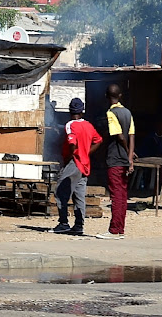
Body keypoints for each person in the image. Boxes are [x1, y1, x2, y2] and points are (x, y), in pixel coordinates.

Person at [51, 98, 102, 235]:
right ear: (82, 110)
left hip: (74, 162)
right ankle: (79, 225)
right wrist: (86, 152)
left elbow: (72, 143)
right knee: (79, 196)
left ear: (70, 110)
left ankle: (63, 223)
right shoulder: (89, 125)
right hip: (85, 164)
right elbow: (98, 140)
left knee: (61, 192)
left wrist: (71, 156)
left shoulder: (70, 125)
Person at [96, 84, 135, 240]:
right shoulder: (127, 112)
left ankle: (114, 230)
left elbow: (119, 136)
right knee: (122, 194)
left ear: (107, 96)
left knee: (116, 195)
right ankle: (120, 229)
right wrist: (130, 157)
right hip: (124, 159)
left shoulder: (111, 113)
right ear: (120, 96)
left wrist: (126, 152)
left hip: (115, 159)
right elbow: (131, 135)